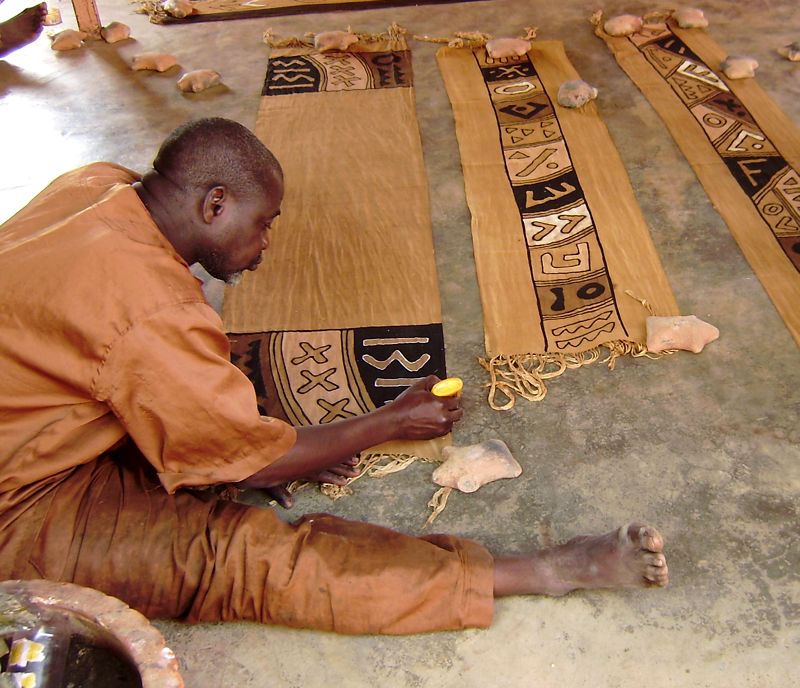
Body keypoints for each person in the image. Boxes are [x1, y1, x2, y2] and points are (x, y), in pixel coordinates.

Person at [0, 117, 668, 634]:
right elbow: (233, 450)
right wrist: (384, 423)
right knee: (239, 559)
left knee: (226, 435)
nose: (264, 248)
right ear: (214, 205)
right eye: (263, 224)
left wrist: (274, 450)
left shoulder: (95, 186)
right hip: (14, 510)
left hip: (27, 432)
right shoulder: (150, 308)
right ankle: (542, 570)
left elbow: (127, 364)